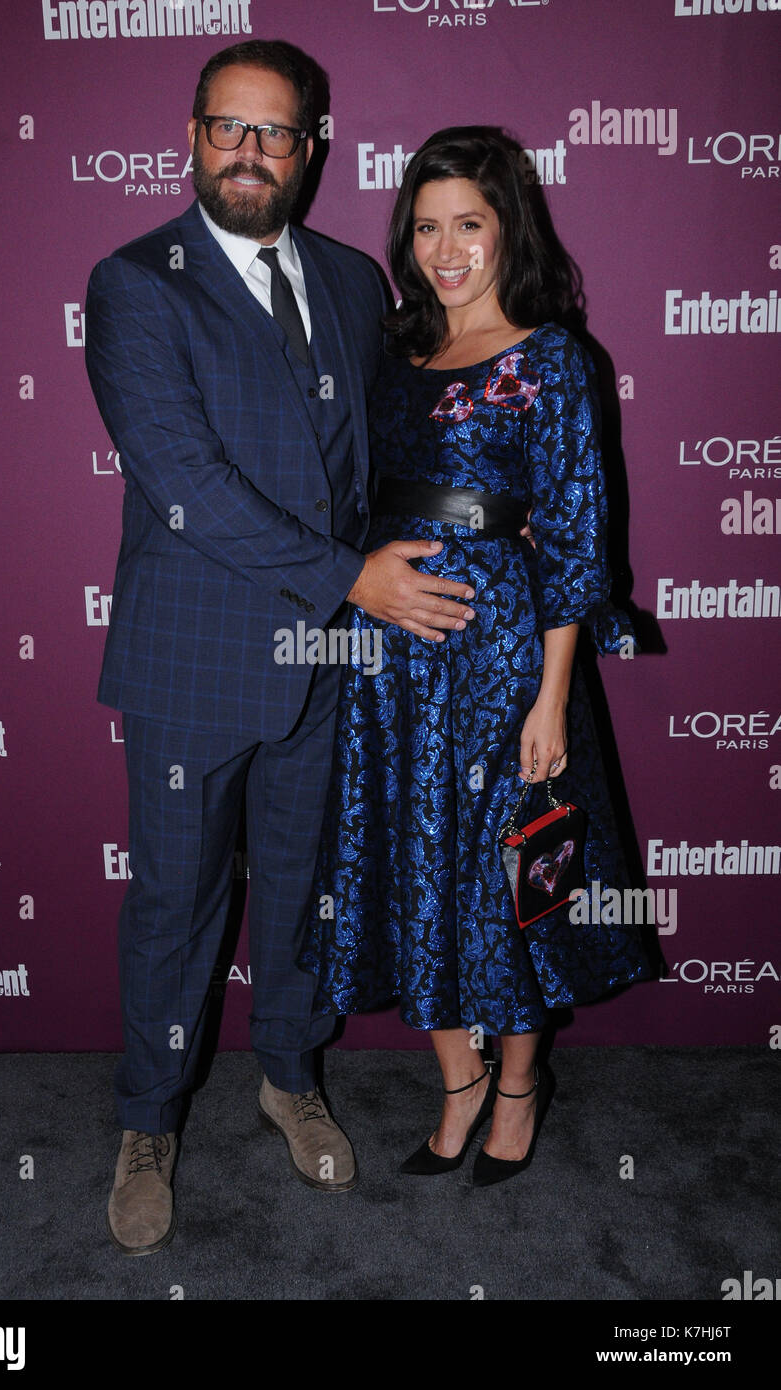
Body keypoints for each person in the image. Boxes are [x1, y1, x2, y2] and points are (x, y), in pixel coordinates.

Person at [83, 44, 478, 1254]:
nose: (249, 152)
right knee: (175, 905)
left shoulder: (359, 281)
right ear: (194, 136)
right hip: (194, 657)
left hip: (333, 665)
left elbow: (386, 461)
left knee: (305, 890)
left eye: (275, 133)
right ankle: (149, 1121)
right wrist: (350, 576)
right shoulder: (136, 282)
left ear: (311, 148)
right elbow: (184, 481)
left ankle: (289, 1075)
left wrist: (478, 550)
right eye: (227, 129)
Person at [298, 126, 654, 1188]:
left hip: (501, 658)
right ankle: (454, 1085)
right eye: (425, 226)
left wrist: (551, 700)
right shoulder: (391, 354)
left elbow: (581, 539)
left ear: (509, 231)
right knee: (413, 864)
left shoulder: (552, 360)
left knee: (511, 875)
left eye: (469, 225)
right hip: (391, 655)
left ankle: (516, 1087)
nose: (446, 249)